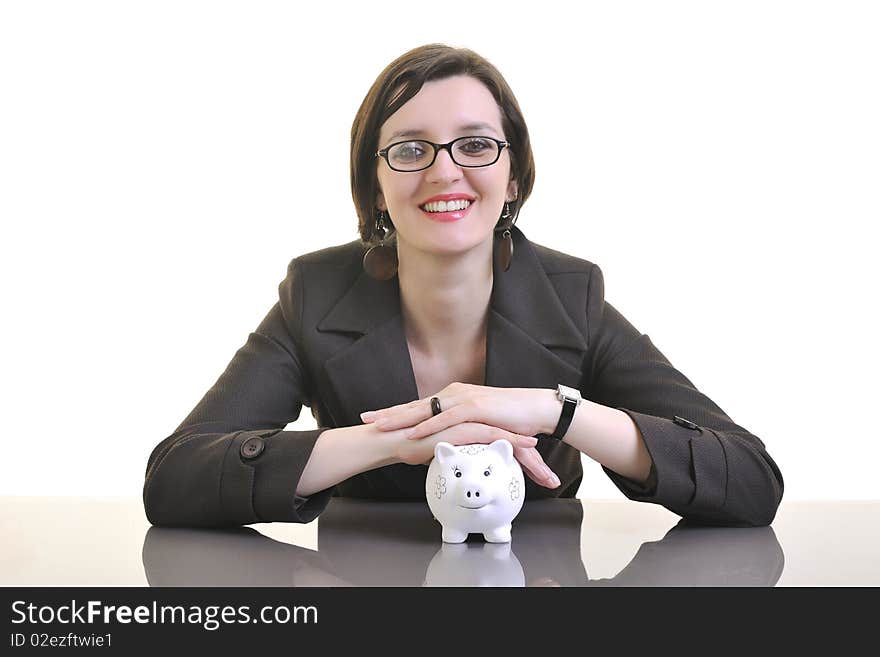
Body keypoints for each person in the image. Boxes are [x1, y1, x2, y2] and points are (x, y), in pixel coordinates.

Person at [143, 43, 784, 529]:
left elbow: (752, 480)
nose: (444, 172)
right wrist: (401, 436)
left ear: (512, 177)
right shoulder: (314, 293)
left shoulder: (571, 295)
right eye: (410, 149)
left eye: (475, 145)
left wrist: (553, 410)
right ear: (375, 186)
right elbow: (174, 479)